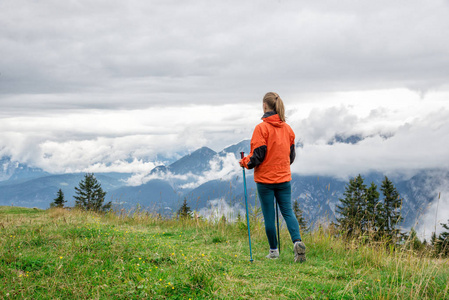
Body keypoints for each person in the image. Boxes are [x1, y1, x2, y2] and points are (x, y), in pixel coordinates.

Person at [239, 92, 306, 262]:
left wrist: (245, 162)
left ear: (264, 106)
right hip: (284, 179)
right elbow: (291, 157)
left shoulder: (261, 129)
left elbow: (257, 156)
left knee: (269, 216)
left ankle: (274, 251)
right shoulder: (288, 129)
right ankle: (297, 242)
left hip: (265, 181)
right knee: (288, 212)